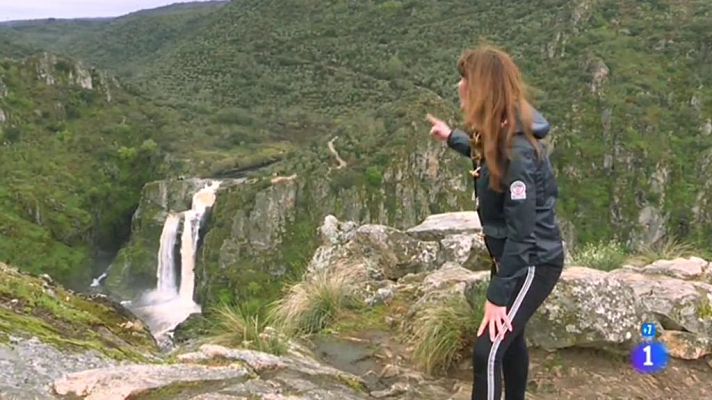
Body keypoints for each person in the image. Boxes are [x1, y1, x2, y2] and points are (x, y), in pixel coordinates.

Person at [427, 45, 565, 400]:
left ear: (481, 88)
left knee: (487, 351)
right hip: (510, 257)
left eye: (465, 80)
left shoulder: (518, 152)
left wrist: (498, 296)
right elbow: (484, 152)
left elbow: (523, 233)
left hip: (532, 261)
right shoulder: (499, 128)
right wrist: (451, 137)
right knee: (510, 340)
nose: (459, 86)